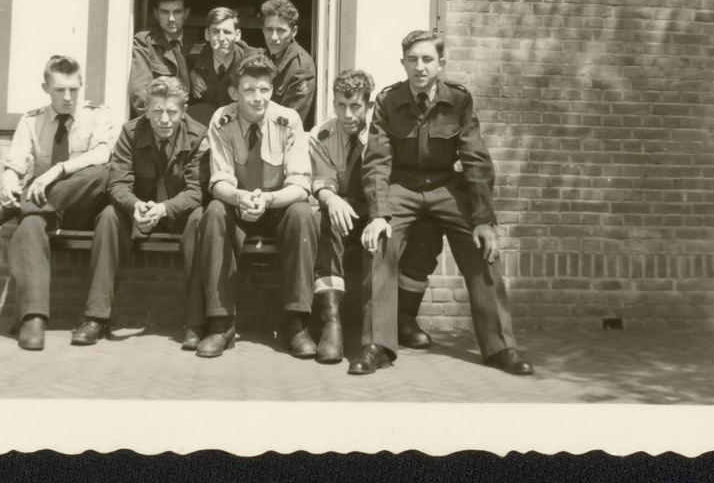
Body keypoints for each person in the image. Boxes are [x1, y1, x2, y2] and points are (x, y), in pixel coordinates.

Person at [352, 31, 534, 376]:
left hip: (446, 187)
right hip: (402, 187)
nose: (419, 67)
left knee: (483, 245)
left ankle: (501, 347)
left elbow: (475, 158)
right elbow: (377, 160)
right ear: (403, 63)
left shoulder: (458, 100)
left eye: (427, 59)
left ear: (441, 64)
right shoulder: (388, 101)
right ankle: (377, 346)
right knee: (379, 241)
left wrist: (483, 219)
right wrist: (378, 214)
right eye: (412, 60)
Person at [309, 69, 445, 364]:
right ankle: (331, 323)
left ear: (369, 105)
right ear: (333, 104)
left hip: (377, 212)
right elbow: (323, 183)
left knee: (426, 229)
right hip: (343, 212)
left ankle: (404, 316)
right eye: (340, 105)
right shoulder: (321, 136)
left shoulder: (384, 135)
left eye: (355, 106)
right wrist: (331, 199)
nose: (347, 114)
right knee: (327, 217)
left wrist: (378, 215)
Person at [188, 52, 317, 359]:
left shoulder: (289, 120)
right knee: (214, 212)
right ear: (235, 92)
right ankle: (221, 323)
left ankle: (296, 324)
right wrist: (239, 198)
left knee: (303, 214)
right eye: (248, 90)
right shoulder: (222, 119)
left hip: (277, 206)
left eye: (264, 89)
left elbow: (300, 184)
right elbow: (219, 180)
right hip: (239, 205)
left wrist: (269, 199)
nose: (258, 98)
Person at [71, 77, 209, 346]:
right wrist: (135, 205)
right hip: (139, 212)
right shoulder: (130, 133)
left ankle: (196, 323)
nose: (164, 119)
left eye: (172, 112)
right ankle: (96, 318)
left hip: (179, 216)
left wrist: (165, 209)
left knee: (199, 220)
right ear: (146, 111)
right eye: (157, 111)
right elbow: (118, 183)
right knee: (109, 217)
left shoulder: (198, 136)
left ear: (183, 112)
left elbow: (197, 190)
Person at [0, 55, 116, 351]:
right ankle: (33, 319)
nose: (67, 97)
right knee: (30, 225)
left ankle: (12, 209)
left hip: (85, 207)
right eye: (59, 90)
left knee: (100, 174)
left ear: (81, 85)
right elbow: (15, 164)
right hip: (48, 208)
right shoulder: (31, 120)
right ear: (45, 88)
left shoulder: (97, 115)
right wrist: (9, 181)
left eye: (74, 89)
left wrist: (58, 170)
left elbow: (102, 155)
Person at [128, 0, 197, 118]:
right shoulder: (144, 42)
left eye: (177, 12)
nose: (171, 19)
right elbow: (141, 96)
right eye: (164, 12)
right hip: (159, 120)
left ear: (186, 13)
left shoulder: (195, 42)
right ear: (156, 14)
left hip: (189, 120)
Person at [186, 6, 257, 125]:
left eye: (227, 32)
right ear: (207, 34)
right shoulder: (194, 56)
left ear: (237, 35)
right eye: (216, 32)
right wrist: (191, 74)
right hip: (206, 123)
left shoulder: (250, 61)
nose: (221, 38)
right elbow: (182, 65)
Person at [260, 0, 316, 125]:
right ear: (263, 30)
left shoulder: (302, 69)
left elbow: (288, 122)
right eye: (269, 29)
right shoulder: (265, 56)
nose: (274, 37)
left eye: (281, 30)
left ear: (294, 31)